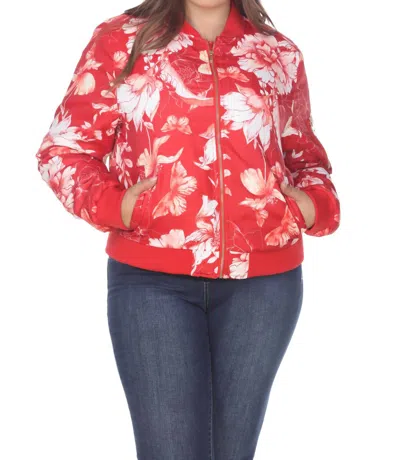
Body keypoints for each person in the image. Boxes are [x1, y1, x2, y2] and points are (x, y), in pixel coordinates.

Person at [36, 0, 341, 458]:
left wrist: (314, 206)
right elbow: (62, 150)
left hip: (263, 286)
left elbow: (305, 158)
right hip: (151, 280)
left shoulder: (278, 53)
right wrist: (120, 206)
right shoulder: (122, 41)